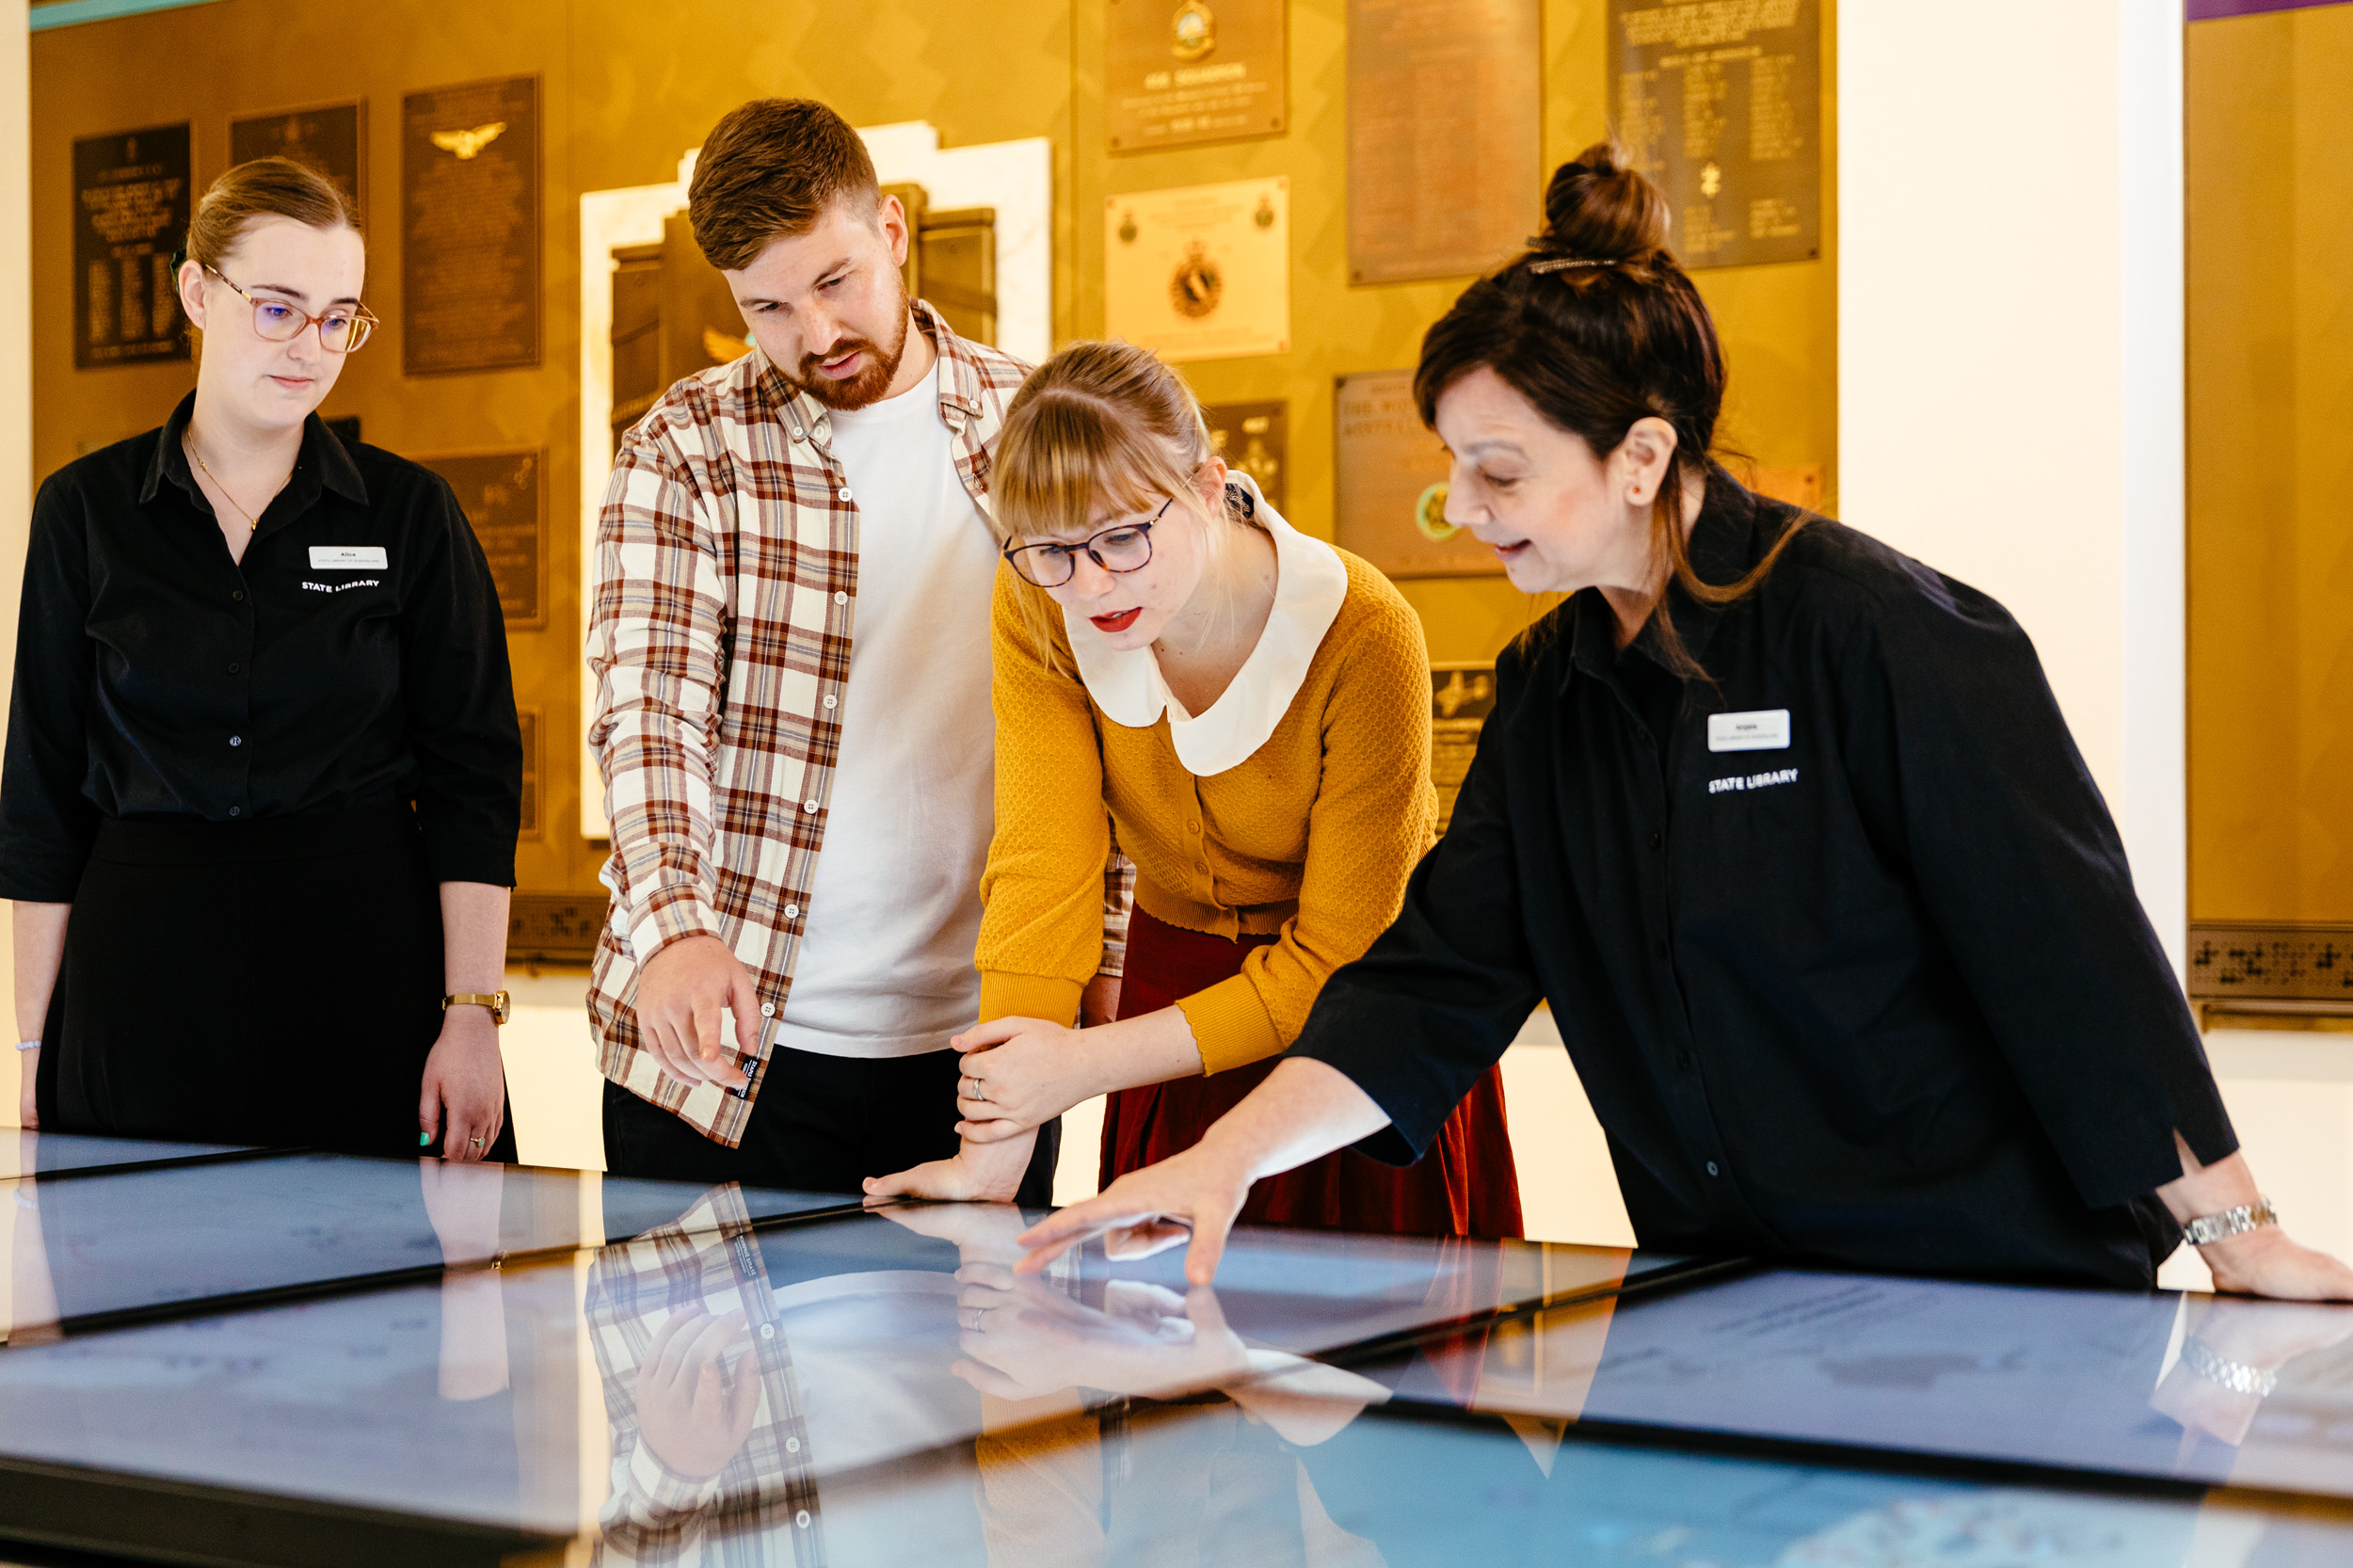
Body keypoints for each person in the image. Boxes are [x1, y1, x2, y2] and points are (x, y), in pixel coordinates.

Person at [1018, 145, 2353, 1301]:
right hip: (1732, 1289)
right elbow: (1433, 981)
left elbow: (2072, 959)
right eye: (1451, 470)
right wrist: (1217, 1162)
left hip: (1987, 1286)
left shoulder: (1883, 633)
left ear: (1642, 456)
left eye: (1500, 472)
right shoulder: (1549, 691)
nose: (1464, 511)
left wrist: (2239, 1234)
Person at [868, 343, 1521, 1241]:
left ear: (1210, 488)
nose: (1091, 585)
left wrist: (1086, 1065)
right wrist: (996, 1145)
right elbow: (1041, 866)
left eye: (1125, 537)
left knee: (1367, 1355)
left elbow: (1336, 961)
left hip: (1356, 1038)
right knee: (1159, 1361)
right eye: (1052, 551)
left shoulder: (1366, 634)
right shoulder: (1039, 603)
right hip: (1168, 999)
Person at [587, 99, 1117, 1200]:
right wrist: (675, 930)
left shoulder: (1029, 422)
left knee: (968, 1373)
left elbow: (1131, 678)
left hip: (982, 1050)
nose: (814, 335)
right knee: (709, 1375)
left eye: (835, 282)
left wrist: (1106, 946)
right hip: (724, 1052)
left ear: (891, 231)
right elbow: (648, 705)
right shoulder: (682, 449)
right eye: (766, 308)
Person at [0, 156, 521, 1161]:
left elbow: (475, 781)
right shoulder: (84, 513)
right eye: (279, 309)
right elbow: (38, 800)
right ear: (198, 293)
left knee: (392, 1298)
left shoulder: (411, 515)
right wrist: (29, 1042)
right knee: (134, 1302)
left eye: (339, 318)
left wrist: (472, 1015)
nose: (312, 348)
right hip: (138, 983)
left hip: (364, 970)